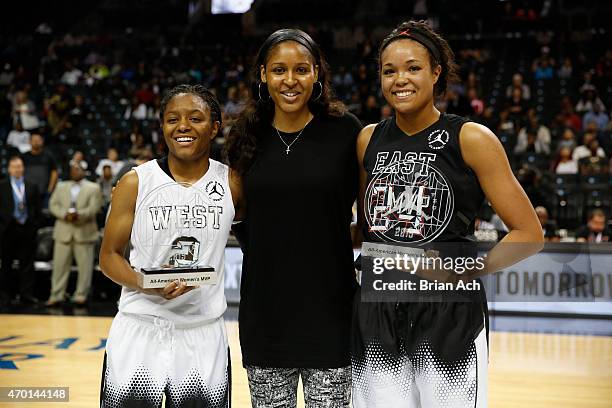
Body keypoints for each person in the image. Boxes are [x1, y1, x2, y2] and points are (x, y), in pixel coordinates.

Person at [352, 21, 543, 408]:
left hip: (448, 309)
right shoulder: (368, 139)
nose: (399, 79)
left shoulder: (471, 138)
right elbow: (366, 230)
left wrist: (466, 270)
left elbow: (529, 233)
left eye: (412, 68)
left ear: (436, 72)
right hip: (376, 307)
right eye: (389, 71)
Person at [224, 28, 361, 407]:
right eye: (279, 70)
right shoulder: (244, 136)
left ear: (317, 73)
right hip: (265, 313)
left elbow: (370, 214)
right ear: (263, 75)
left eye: (301, 69)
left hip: (331, 311)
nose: (290, 80)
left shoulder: (346, 131)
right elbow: (227, 210)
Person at [99, 84, 241, 407]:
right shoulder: (135, 182)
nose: (183, 127)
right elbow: (108, 257)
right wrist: (144, 283)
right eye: (172, 119)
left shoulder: (232, 182)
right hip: (140, 327)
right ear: (162, 126)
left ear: (215, 127)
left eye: (195, 118)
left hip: (202, 332)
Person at [46, 161, 102, 306]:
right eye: (72, 169)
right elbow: (53, 205)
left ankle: (81, 295)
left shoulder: (93, 187)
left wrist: (79, 215)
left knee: (85, 269)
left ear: (84, 171)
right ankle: (56, 295)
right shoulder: (60, 186)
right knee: (59, 267)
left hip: (84, 232)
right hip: (63, 232)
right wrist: (65, 215)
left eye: (78, 169)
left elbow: (95, 208)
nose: (75, 171)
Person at [0, 156, 42, 306]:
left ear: (23, 168)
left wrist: (34, 224)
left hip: (27, 229)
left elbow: (37, 209)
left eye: (19, 166)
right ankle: (5, 297)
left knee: (27, 265)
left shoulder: (31, 185)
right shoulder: (2, 186)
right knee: (6, 265)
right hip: (8, 230)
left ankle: (26, 295)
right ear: (9, 169)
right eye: (14, 167)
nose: (17, 169)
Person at [22, 132, 58, 207]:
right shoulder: (23, 157)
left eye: (38, 140)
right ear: (29, 142)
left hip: (45, 193)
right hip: (27, 193)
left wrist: (50, 188)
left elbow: (54, 172)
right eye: (34, 140)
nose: (36, 142)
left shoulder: (48, 156)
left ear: (42, 141)